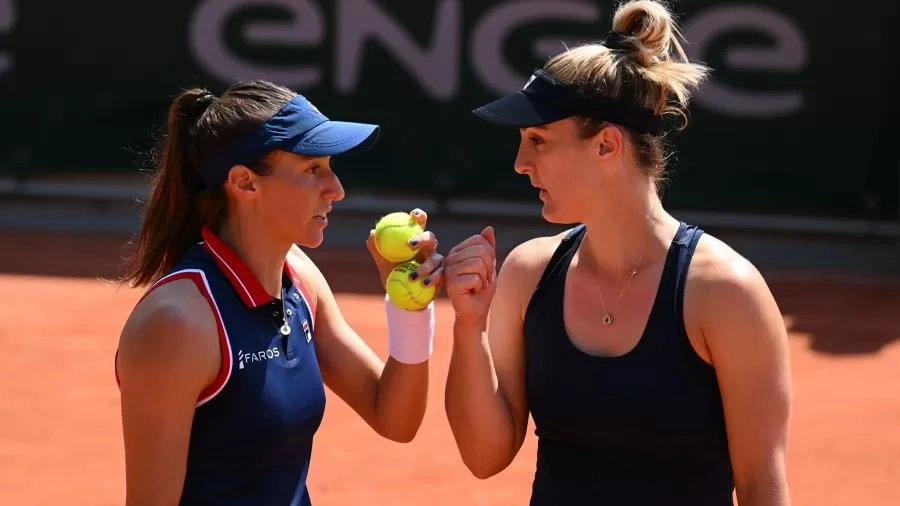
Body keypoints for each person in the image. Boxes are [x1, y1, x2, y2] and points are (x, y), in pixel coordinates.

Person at [442, 1, 792, 504]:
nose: (520, 163)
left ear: (607, 145)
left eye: (537, 140)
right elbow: (484, 456)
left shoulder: (725, 291)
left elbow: (762, 485)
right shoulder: (527, 273)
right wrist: (468, 326)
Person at [114, 80, 449, 506]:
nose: (336, 189)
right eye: (313, 169)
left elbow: (395, 418)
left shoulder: (302, 278)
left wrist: (410, 309)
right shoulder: (179, 324)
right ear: (245, 183)